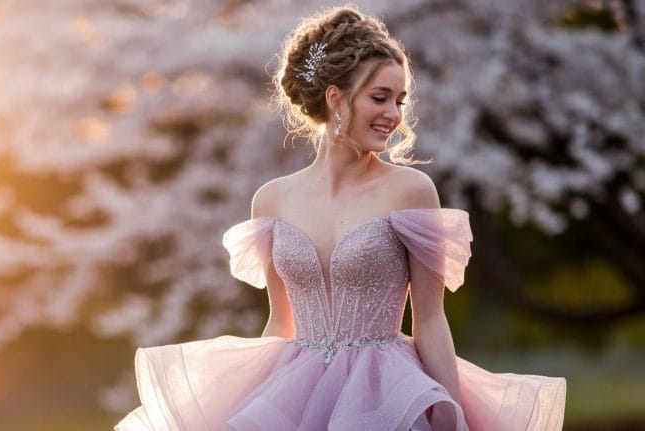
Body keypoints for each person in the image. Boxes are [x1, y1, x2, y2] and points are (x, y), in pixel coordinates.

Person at [115, 6, 566, 431]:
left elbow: (429, 320)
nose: (393, 114)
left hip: (386, 393)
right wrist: (256, 399)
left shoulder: (410, 191)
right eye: (380, 97)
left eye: (399, 101)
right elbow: (280, 322)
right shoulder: (271, 200)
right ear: (336, 98)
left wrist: (449, 416)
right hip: (297, 388)